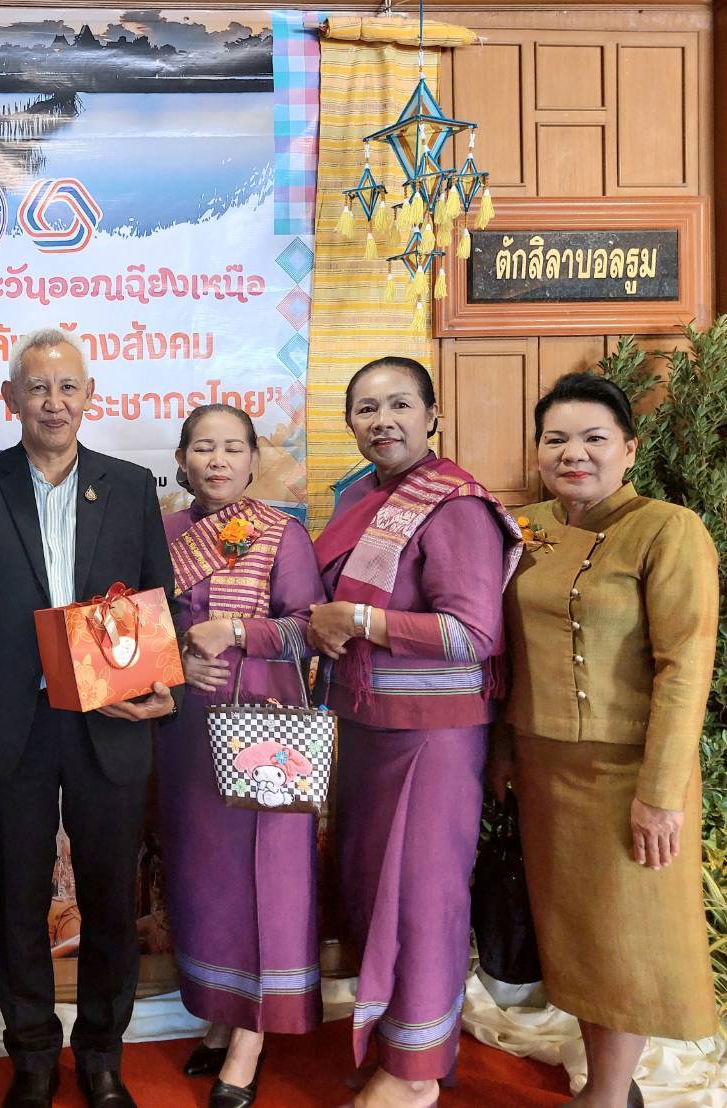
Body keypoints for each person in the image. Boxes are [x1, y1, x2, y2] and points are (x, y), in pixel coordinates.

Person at [0, 327, 177, 1108]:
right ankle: (33, 1059)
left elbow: (156, 598)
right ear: (10, 398)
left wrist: (160, 684)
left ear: (89, 396)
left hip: (109, 719)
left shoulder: (129, 486)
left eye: (67, 386)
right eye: (37, 387)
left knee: (109, 901)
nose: (53, 401)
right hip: (11, 727)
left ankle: (101, 1056)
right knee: (18, 901)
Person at [490, 372, 718, 1108]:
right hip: (544, 770)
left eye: (593, 438)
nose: (573, 453)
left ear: (629, 449)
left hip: (630, 776)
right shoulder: (523, 528)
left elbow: (685, 667)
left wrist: (661, 793)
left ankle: (609, 1096)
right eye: (555, 439)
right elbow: (505, 651)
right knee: (579, 939)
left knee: (625, 941)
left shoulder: (667, 528)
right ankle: (604, 1084)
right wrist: (502, 751)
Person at [307, 357, 520, 1108]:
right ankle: (399, 1045)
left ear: (433, 415)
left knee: (422, 900)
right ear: (349, 423)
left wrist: (360, 621)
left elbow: (471, 636)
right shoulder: (358, 497)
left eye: (399, 404)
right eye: (366, 408)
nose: (382, 420)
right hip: (367, 730)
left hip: (433, 740)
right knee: (376, 893)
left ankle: (415, 1074)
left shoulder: (454, 504)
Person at [159, 404, 326, 1108]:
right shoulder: (165, 532)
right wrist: (175, 657)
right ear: (182, 459)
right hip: (186, 733)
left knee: (269, 879)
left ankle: (253, 1036)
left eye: (233, 447)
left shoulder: (282, 532)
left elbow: (310, 630)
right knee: (207, 879)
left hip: (266, 730)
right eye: (204, 447)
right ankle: (221, 1016)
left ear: (254, 459)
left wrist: (234, 632)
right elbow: (137, 624)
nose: (218, 460)